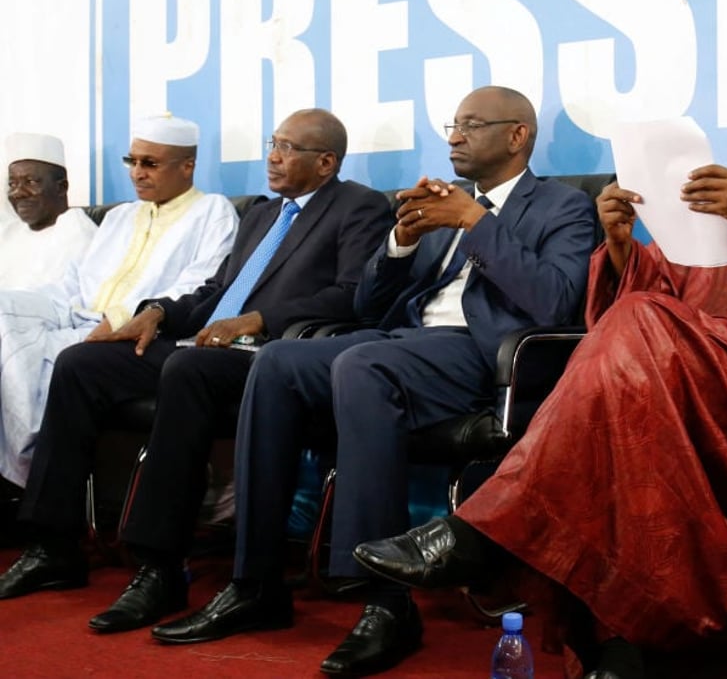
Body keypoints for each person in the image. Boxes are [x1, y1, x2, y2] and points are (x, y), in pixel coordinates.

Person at [354, 53, 727, 677]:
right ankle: (619, 650)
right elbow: (667, 289)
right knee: (619, 420)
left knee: (636, 335)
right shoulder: (726, 205)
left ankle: (485, 535)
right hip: (692, 392)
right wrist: (621, 244)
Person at [148, 86, 598, 677]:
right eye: (453, 125)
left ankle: (384, 603)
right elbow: (370, 306)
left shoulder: (562, 207)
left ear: (517, 136)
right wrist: (400, 242)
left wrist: (477, 224)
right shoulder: (442, 205)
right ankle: (254, 582)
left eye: (472, 125)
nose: (455, 137)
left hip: (482, 354)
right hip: (403, 341)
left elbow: (555, 302)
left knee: (360, 366)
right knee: (278, 361)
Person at [0, 108, 393, 615]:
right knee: (82, 363)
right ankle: (53, 544)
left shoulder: (357, 207)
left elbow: (352, 296)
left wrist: (256, 320)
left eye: (289, 148)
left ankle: (158, 567)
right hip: (210, 342)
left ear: (326, 162)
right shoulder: (263, 213)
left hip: (276, 354)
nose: (273, 156)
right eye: (273, 143)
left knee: (185, 370)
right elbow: (215, 292)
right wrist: (157, 313)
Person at [0, 114, 237, 487]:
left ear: (187, 166)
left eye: (150, 163)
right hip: (78, 316)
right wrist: (21, 307)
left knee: (45, 355)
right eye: (133, 161)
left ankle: (20, 470)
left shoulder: (212, 212)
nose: (137, 173)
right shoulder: (120, 217)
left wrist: (122, 316)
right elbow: (73, 285)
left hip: (136, 332)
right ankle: (19, 459)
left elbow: (198, 287)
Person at [0, 133, 97, 290]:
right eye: (12, 184)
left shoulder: (77, 233)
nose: (18, 192)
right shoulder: (9, 233)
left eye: (30, 182)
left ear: (61, 187)